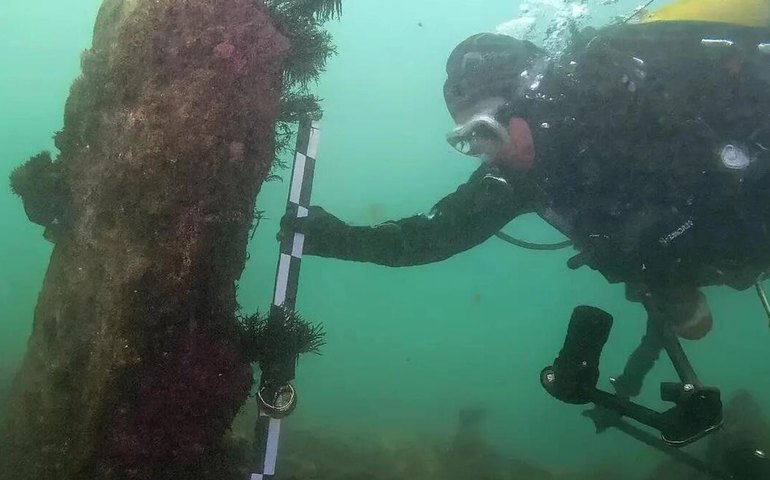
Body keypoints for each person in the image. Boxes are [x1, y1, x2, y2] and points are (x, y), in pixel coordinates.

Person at [281, 1, 770, 394]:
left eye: (485, 131)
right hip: (723, 260)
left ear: (528, 99)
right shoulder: (519, 177)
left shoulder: (630, 96)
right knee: (692, 323)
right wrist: (339, 239)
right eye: (466, 143)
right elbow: (434, 236)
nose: (484, 155)